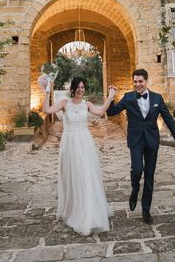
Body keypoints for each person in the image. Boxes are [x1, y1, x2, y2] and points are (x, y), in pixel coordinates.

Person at [38, 75, 116, 236]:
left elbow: (101, 112)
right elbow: (46, 110)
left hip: (85, 143)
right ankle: (75, 210)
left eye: (83, 87)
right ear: (72, 89)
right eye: (78, 87)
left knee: (86, 176)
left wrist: (110, 97)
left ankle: (89, 213)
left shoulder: (87, 105)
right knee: (72, 177)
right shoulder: (64, 104)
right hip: (69, 144)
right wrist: (46, 91)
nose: (81, 90)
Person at [106, 69, 175, 224]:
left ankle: (146, 210)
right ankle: (135, 190)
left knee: (149, 176)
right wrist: (111, 97)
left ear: (146, 81)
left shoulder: (157, 98)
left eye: (140, 81)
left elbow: (168, 119)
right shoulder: (128, 97)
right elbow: (112, 112)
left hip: (151, 141)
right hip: (135, 140)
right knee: (137, 170)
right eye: (135, 82)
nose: (137, 84)